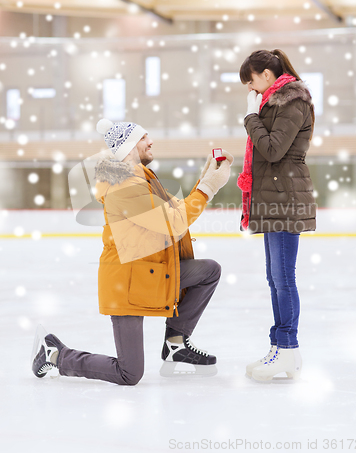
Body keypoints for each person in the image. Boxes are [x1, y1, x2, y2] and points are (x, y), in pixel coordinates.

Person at [32, 119, 233, 385]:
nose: (151, 141)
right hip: (126, 282)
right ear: (127, 148)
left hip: (148, 272)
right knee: (129, 373)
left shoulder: (142, 177)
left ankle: (176, 344)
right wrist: (208, 189)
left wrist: (205, 180)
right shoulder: (124, 187)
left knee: (208, 271)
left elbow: (176, 210)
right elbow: (173, 223)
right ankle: (56, 354)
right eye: (143, 138)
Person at [237, 49, 317, 381]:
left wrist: (250, 119)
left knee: (284, 279)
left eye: (252, 82)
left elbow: (272, 149)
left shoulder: (293, 103)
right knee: (275, 278)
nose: (251, 91)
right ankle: (282, 349)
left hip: (286, 199)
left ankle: (287, 348)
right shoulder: (275, 104)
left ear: (267, 76)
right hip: (275, 198)